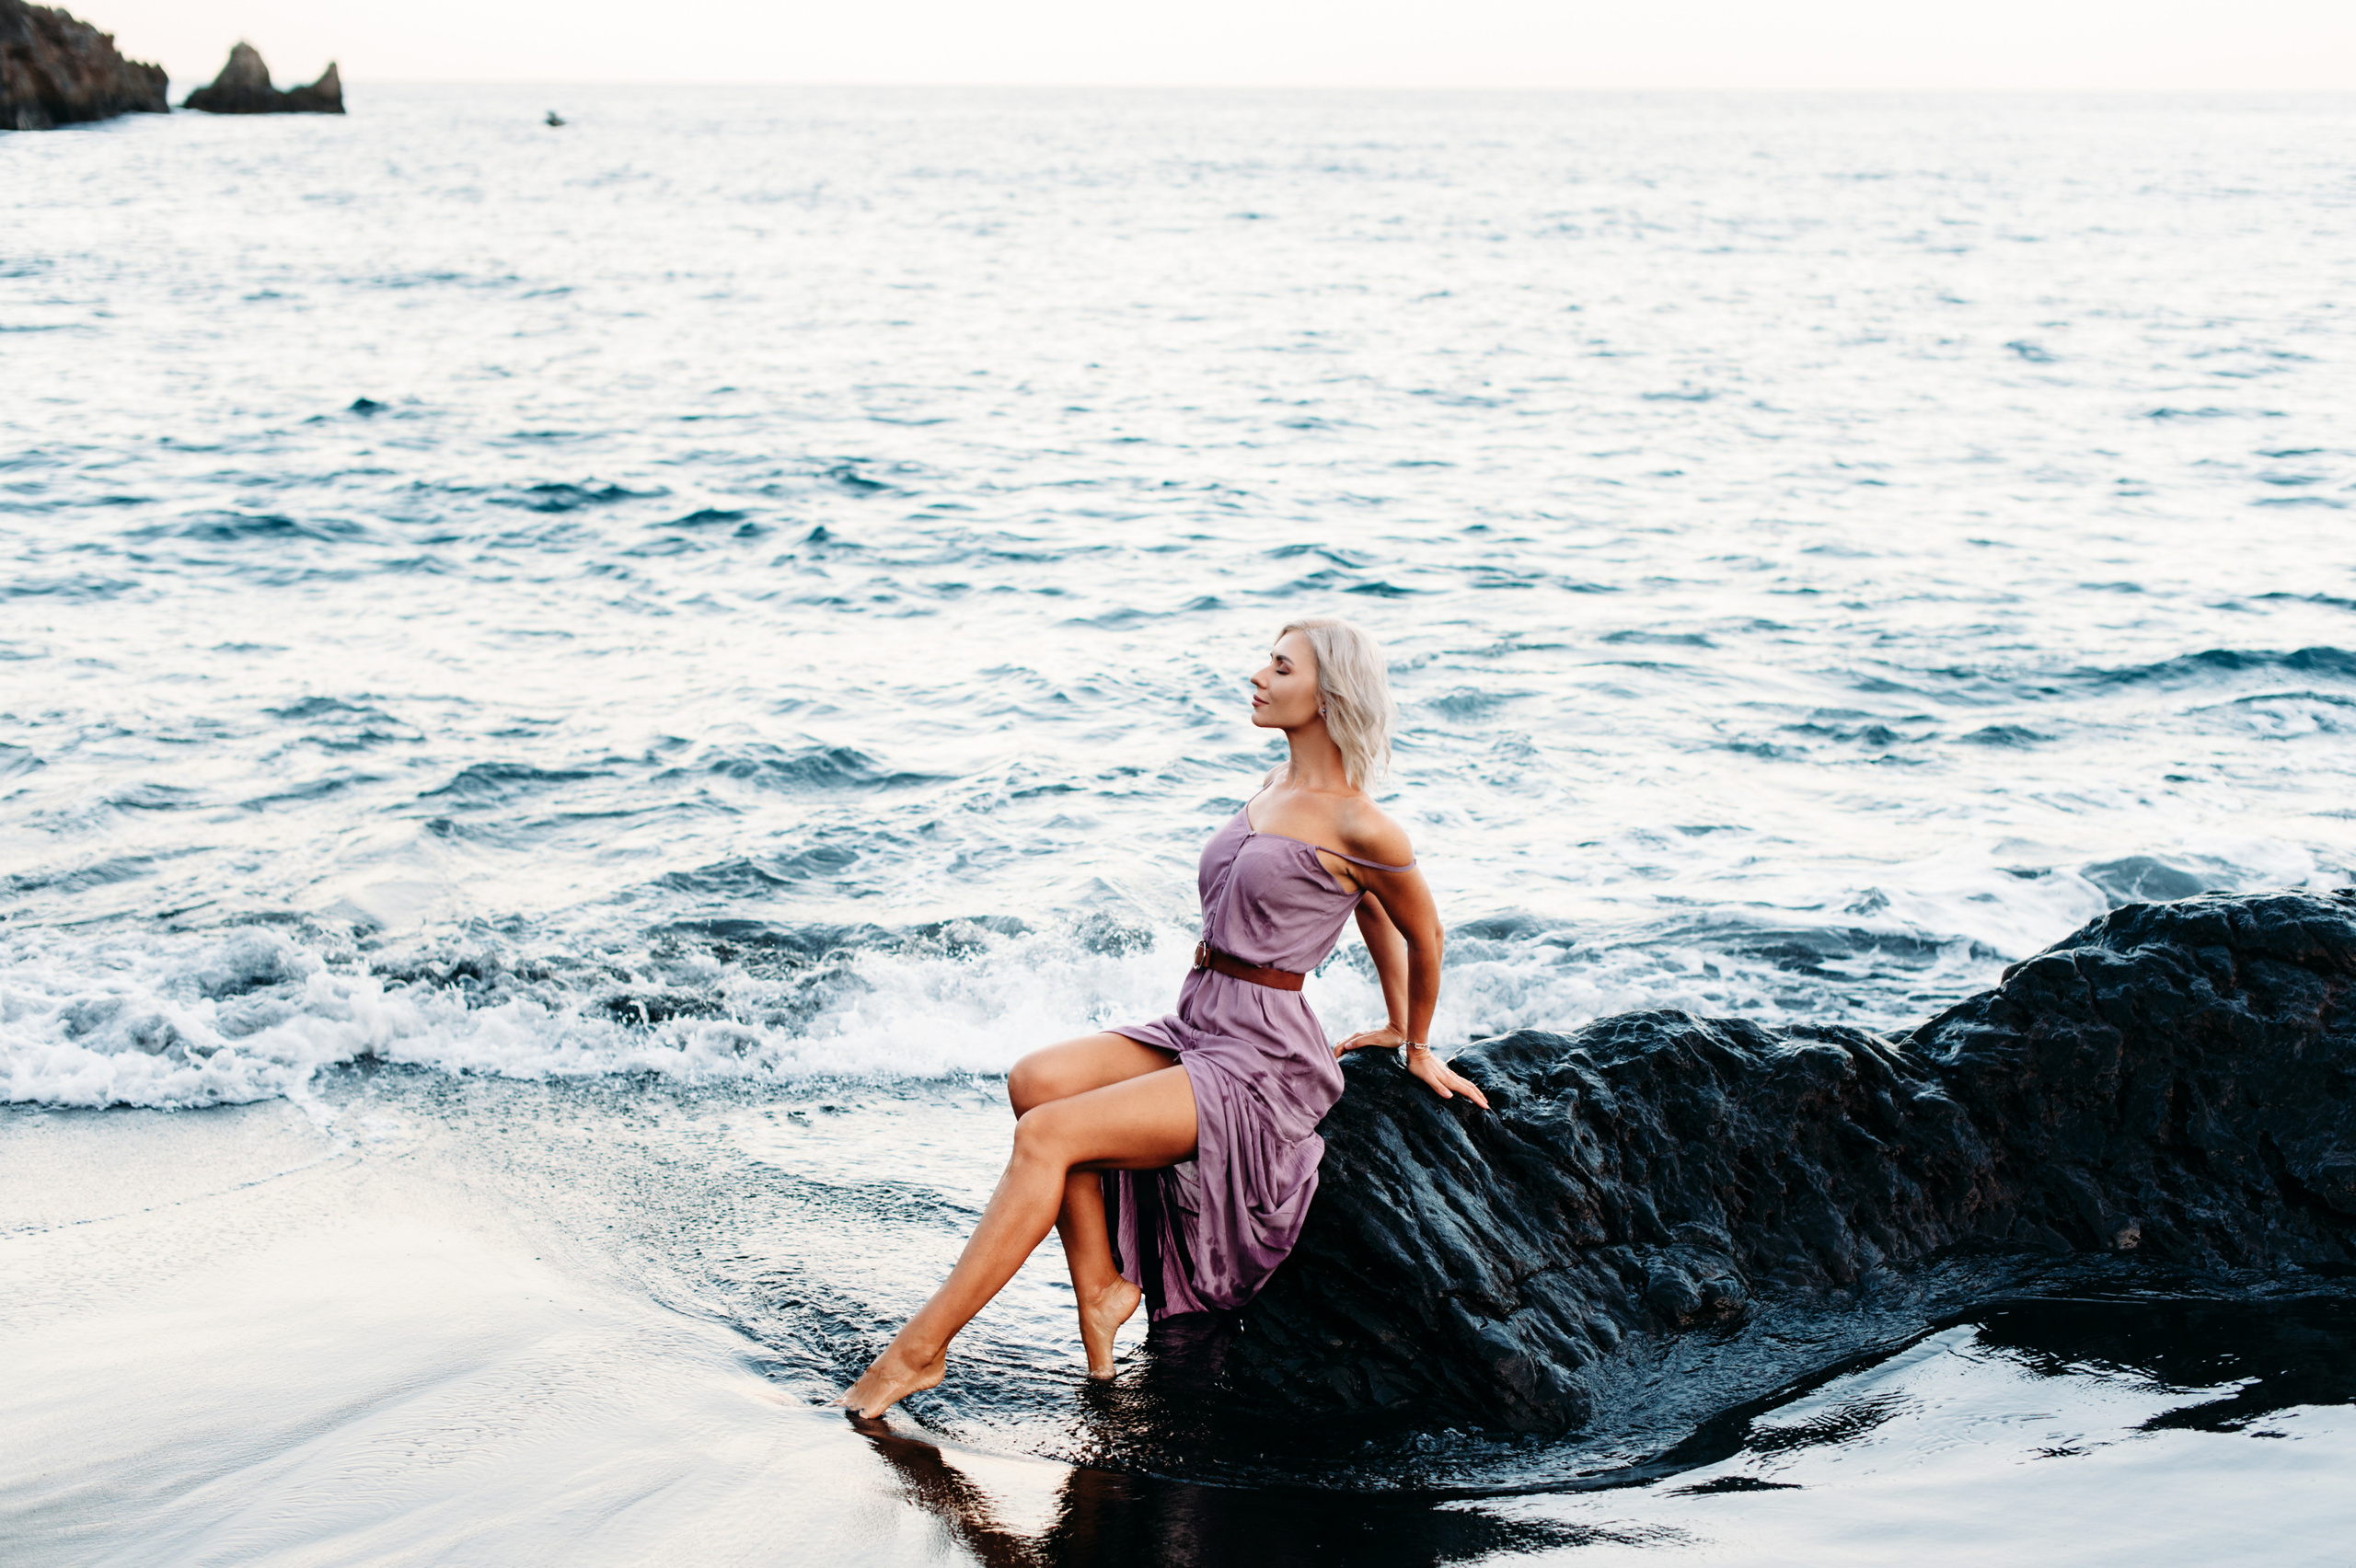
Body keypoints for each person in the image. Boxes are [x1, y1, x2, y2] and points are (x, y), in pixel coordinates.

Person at [837, 617, 1488, 1419]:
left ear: (1327, 694)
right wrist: (1392, 1018)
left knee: (1049, 1137)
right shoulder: (1272, 790)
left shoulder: (1362, 822)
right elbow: (1370, 916)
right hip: (1198, 1019)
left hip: (1262, 1059)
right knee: (1036, 1081)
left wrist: (1413, 1041)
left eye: (1280, 667)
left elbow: (1414, 928)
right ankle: (1103, 1289)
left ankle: (919, 1351)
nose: (1258, 675)